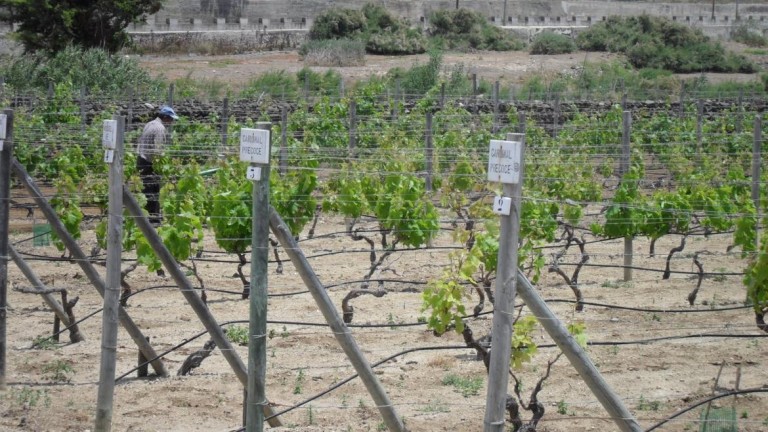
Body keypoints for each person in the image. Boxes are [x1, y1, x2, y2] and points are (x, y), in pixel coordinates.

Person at [137, 105, 179, 224]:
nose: (172, 122)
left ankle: (146, 219)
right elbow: (158, 150)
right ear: (165, 117)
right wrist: (163, 168)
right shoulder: (160, 128)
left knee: (146, 191)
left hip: (141, 159)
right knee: (153, 192)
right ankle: (153, 220)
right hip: (150, 163)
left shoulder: (150, 124)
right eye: (171, 119)